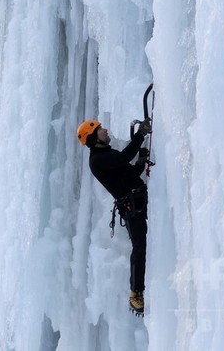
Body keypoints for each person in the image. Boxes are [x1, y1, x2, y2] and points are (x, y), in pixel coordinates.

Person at [77, 118, 151, 315]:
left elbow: (129, 172)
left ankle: (137, 292)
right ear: (93, 138)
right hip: (132, 207)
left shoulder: (106, 154)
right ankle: (135, 293)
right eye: (100, 130)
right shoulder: (97, 160)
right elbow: (124, 159)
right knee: (139, 246)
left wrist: (141, 163)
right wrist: (140, 135)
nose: (105, 130)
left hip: (138, 202)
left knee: (141, 245)